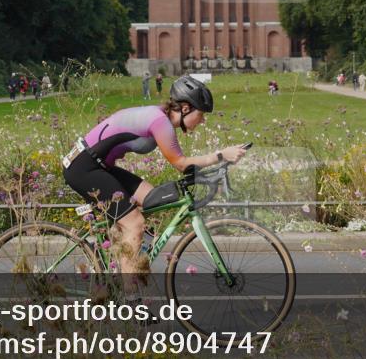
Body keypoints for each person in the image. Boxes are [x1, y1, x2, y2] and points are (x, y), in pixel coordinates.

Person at [62, 76, 246, 291]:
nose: (203, 120)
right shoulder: (160, 122)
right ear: (186, 108)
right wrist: (221, 155)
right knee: (135, 224)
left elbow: (182, 165)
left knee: (152, 201)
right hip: (84, 167)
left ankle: (120, 259)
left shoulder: (161, 118)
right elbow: (181, 163)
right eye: (202, 114)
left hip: (99, 165)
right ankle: (129, 298)